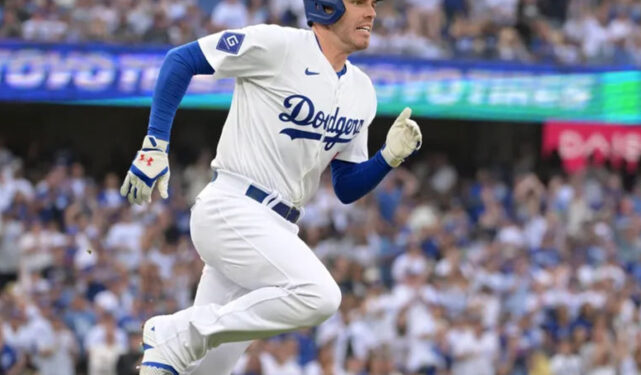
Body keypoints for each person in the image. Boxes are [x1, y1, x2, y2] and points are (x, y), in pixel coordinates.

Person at [118, 0, 423, 374]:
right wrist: (154, 144)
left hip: (276, 231)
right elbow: (181, 60)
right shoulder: (279, 45)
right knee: (320, 296)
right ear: (326, 5)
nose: (372, 12)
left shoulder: (362, 91)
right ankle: (177, 332)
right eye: (359, 1)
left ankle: (171, 347)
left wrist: (387, 158)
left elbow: (345, 186)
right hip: (233, 205)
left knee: (205, 371)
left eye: (374, 4)